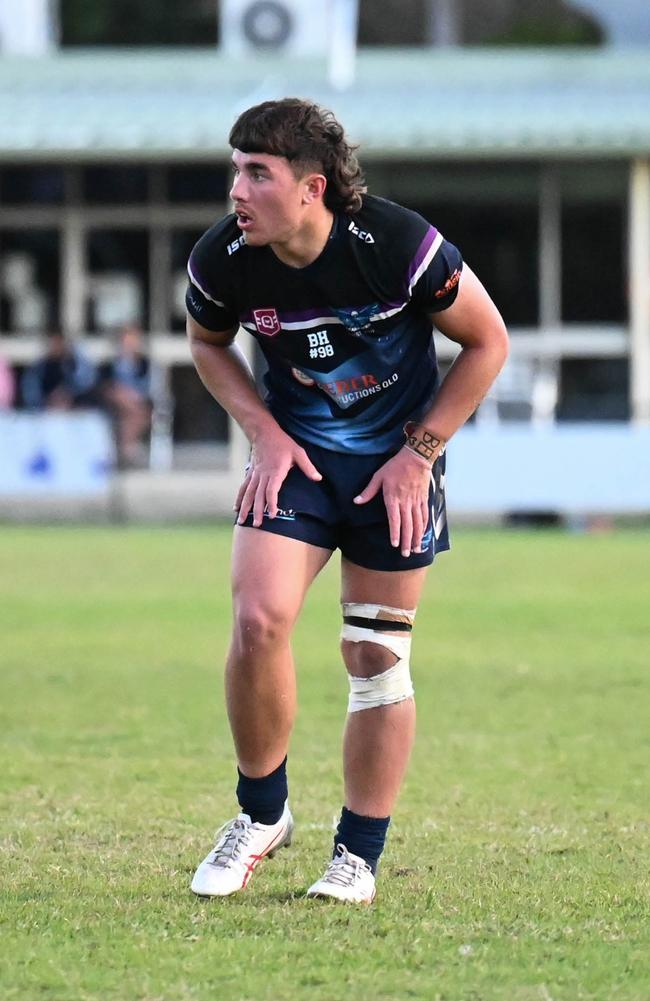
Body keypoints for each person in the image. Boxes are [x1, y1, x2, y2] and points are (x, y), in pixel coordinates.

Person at [185, 98, 508, 904]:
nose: (237, 190)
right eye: (235, 170)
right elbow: (207, 344)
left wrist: (419, 455)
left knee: (375, 656)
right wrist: (261, 430)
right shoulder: (226, 257)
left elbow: (487, 341)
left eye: (257, 173)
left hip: (393, 468)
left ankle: (357, 855)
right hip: (296, 462)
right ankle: (261, 815)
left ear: (312, 188)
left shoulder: (397, 245)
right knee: (257, 621)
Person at [99, 324, 152, 468]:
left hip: (136, 403)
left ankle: (124, 451)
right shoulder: (110, 364)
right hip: (115, 403)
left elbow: (149, 388)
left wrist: (133, 395)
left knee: (132, 416)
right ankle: (128, 450)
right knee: (134, 409)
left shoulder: (145, 364)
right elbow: (104, 386)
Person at [21, 330, 96, 411]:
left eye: (58, 343)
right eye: (53, 344)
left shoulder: (73, 364)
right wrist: (47, 401)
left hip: (73, 411)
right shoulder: (40, 368)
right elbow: (31, 394)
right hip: (45, 412)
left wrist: (67, 394)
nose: (56, 347)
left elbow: (86, 382)